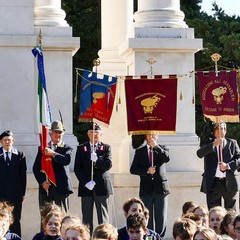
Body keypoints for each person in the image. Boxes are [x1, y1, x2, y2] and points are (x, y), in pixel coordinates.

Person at [74, 122, 113, 233]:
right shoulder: (81, 148)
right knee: (86, 219)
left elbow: (108, 165)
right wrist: (86, 182)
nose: (94, 134)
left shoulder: (106, 148)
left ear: (100, 134)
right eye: (91, 132)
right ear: (88, 134)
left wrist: (97, 160)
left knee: (103, 219)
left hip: (101, 187)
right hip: (87, 187)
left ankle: (104, 237)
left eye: (97, 132)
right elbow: (78, 168)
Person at [130, 133, 170, 237]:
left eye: (153, 134)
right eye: (148, 134)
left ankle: (159, 237)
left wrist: (155, 146)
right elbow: (133, 169)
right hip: (146, 189)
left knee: (161, 216)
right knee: (147, 216)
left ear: (157, 135)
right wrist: (147, 170)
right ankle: (148, 237)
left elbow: (166, 158)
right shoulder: (140, 151)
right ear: (145, 136)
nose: (151, 136)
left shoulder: (162, 148)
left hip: (160, 188)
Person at [197, 122, 240, 210]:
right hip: (213, 184)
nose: (220, 131)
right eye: (218, 129)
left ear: (226, 131)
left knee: (230, 213)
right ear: (214, 131)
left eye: (223, 128)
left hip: (229, 183)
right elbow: (199, 153)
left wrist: (228, 166)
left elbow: (239, 159)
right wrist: (213, 145)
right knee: (214, 213)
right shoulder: (208, 143)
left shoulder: (232, 143)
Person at [33, 121, 74, 213]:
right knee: (46, 217)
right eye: (55, 132)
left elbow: (66, 160)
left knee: (62, 216)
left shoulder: (67, 148)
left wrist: (53, 153)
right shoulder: (43, 148)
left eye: (60, 132)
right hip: (47, 187)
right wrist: (42, 182)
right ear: (50, 133)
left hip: (61, 188)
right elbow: (36, 168)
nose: (57, 134)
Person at [0, 130, 27, 236]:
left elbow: (23, 176)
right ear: (1, 142)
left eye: (9, 140)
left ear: (13, 141)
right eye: (5, 140)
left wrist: (23, 193)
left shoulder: (20, 155)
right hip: (1, 195)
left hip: (15, 195)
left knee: (15, 221)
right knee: (1, 221)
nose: (7, 142)